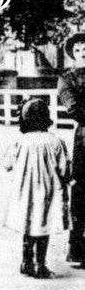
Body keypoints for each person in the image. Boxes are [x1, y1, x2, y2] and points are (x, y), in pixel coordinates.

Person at [0, 98, 71, 278]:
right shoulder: (55, 142)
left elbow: (6, 163)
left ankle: (26, 262)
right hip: (48, 191)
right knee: (44, 226)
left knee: (28, 225)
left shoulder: (19, 141)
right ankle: (40, 264)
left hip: (25, 192)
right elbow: (64, 169)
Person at [56, 31, 85, 268]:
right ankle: (77, 248)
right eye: (77, 50)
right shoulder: (67, 79)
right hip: (84, 137)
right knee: (82, 190)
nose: (83, 53)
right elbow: (73, 107)